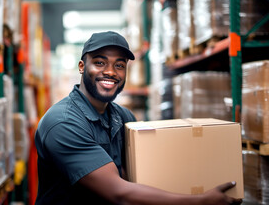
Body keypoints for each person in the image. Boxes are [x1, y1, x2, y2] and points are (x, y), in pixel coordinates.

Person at [34, 31, 242, 205]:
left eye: (119, 65)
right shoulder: (62, 123)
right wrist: (200, 200)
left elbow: (142, 174)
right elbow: (119, 192)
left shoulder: (123, 117)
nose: (110, 72)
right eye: (99, 62)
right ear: (82, 66)